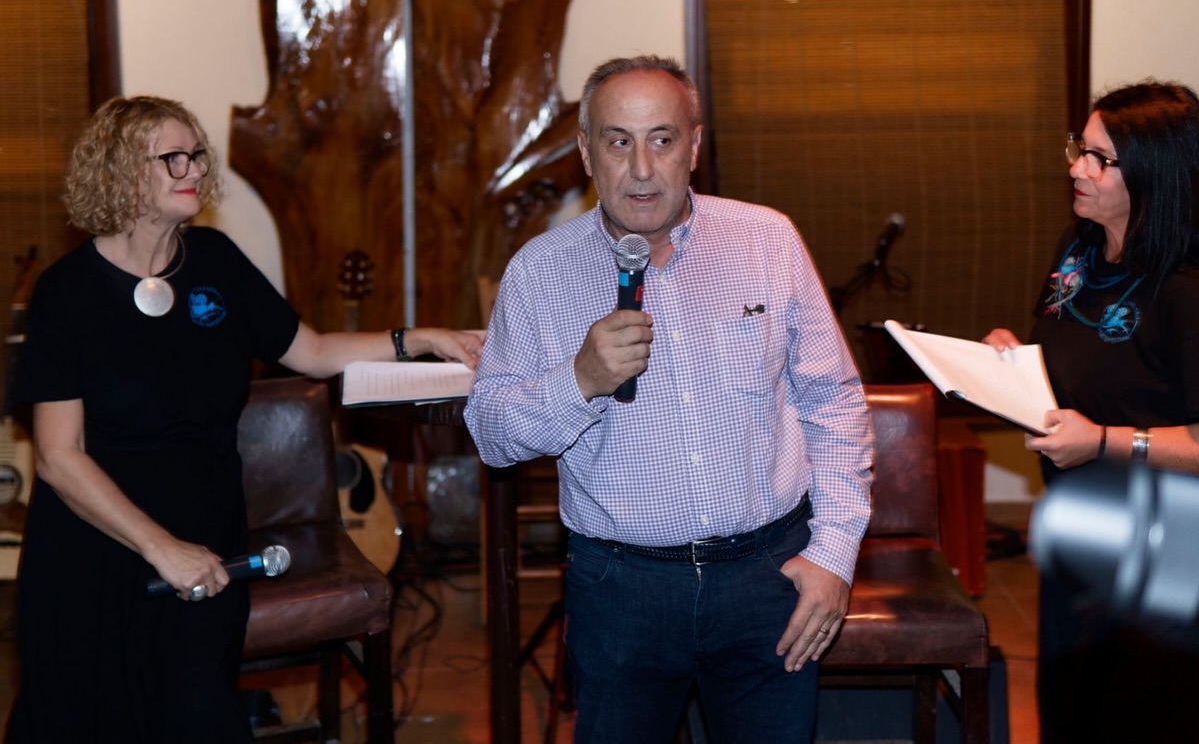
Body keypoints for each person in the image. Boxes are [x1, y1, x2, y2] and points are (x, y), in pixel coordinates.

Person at [5, 95, 482, 743]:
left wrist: (416, 338)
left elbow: (312, 350)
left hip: (207, 542)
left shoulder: (216, 261)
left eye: (196, 153)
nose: (194, 168)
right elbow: (60, 456)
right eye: (172, 157)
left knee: (201, 715)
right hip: (96, 553)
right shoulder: (66, 292)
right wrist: (161, 548)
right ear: (120, 171)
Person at [464, 55, 873, 743]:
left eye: (662, 138)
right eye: (617, 141)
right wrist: (579, 379)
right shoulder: (538, 272)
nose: (642, 168)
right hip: (621, 590)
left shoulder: (766, 239)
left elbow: (831, 401)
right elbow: (492, 434)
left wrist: (833, 551)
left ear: (695, 145)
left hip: (767, 575)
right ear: (586, 154)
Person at [984, 80, 1199, 742]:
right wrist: (1012, 364)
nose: (1077, 168)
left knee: (1139, 716)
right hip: (1079, 530)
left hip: (1163, 553)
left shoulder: (1186, 288)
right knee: (1068, 708)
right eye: (1079, 148)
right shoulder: (1078, 249)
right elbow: (1078, 368)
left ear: (1155, 176)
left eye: (1099, 159)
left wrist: (1103, 440)